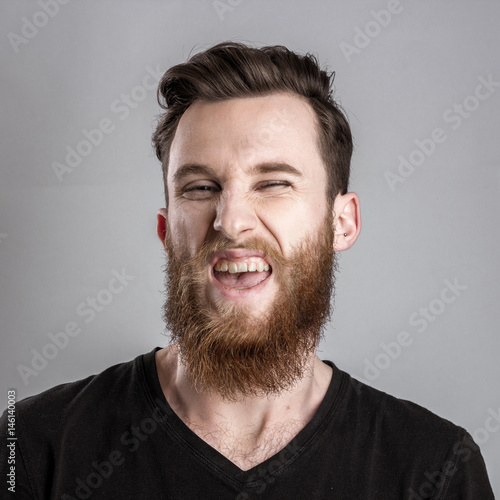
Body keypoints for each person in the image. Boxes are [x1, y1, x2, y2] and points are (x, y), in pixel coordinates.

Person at [0, 41, 494, 499]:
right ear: (166, 229)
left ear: (341, 223)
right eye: (199, 188)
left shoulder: (436, 469)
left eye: (274, 183)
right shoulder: (32, 449)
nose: (231, 222)